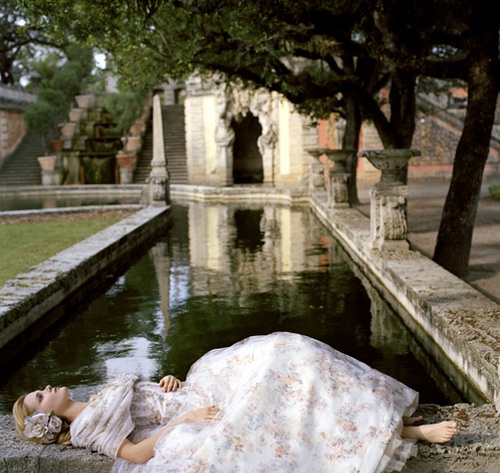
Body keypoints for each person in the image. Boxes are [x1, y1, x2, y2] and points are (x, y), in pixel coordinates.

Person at [13, 332, 457, 472]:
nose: (47, 387)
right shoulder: (86, 428)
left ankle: (381, 412)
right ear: (46, 419)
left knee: (287, 348)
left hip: (197, 390)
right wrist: (184, 418)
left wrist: (167, 382)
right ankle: (404, 430)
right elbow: (134, 454)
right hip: (196, 418)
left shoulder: (94, 400)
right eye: (39, 396)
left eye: (41, 389)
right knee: (281, 390)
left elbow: (144, 401)